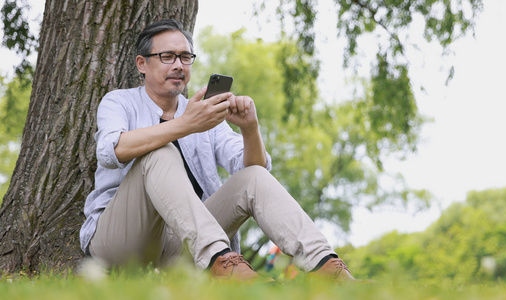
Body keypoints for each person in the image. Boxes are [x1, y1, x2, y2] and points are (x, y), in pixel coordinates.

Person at [79, 19, 357, 282]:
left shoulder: (203, 114)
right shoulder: (120, 102)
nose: (178, 65)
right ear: (142, 63)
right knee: (159, 153)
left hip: (181, 248)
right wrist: (186, 124)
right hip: (122, 242)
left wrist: (250, 129)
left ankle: (328, 271)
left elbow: (254, 169)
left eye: (185, 57)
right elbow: (110, 150)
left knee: (255, 178)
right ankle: (224, 265)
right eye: (167, 57)